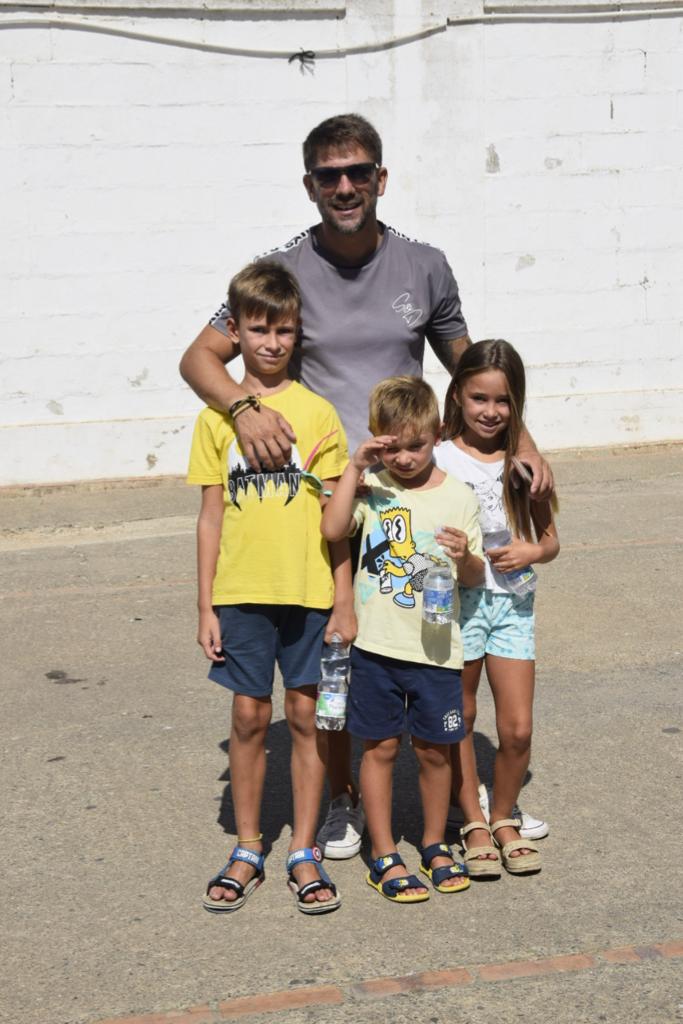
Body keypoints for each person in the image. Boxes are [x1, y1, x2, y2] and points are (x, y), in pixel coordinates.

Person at [180, 113, 554, 859]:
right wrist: (245, 409)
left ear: (381, 179)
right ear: (310, 185)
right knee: (338, 658)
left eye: (357, 172)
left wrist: (523, 440)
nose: (344, 187)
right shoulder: (282, 268)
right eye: (329, 175)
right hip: (325, 494)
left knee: (426, 643)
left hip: (406, 492)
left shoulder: (425, 266)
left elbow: (469, 368)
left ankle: (463, 795)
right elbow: (199, 358)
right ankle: (344, 798)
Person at [187, 261, 355, 914]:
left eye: (284, 330)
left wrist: (343, 600)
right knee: (249, 717)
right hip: (240, 595)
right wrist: (205, 605)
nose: (272, 342)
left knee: (307, 718)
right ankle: (249, 846)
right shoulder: (215, 419)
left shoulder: (319, 414)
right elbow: (209, 518)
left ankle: (304, 850)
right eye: (259, 330)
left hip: (309, 594)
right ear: (235, 332)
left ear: (298, 331)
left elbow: (336, 523)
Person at [321, 377, 485, 902]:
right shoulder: (373, 487)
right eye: (393, 447)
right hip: (376, 648)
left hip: (436, 650)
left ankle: (434, 843)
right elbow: (332, 529)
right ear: (376, 439)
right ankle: (385, 852)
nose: (406, 458)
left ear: (438, 434)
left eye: (416, 445)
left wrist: (465, 558)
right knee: (380, 748)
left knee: (436, 752)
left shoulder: (459, 496)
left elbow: (476, 577)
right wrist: (355, 468)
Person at [435, 340, 560, 877]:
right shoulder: (438, 457)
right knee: (460, 717)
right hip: (456, 604)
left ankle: (504, 815)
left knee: (517, 729)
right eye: (479, 398)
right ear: (457, 396)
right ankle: (473, 821)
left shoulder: (525, 462)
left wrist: (532, 551)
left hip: (513, 606)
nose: (490, 411)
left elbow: (550, 541)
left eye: (503, 401)